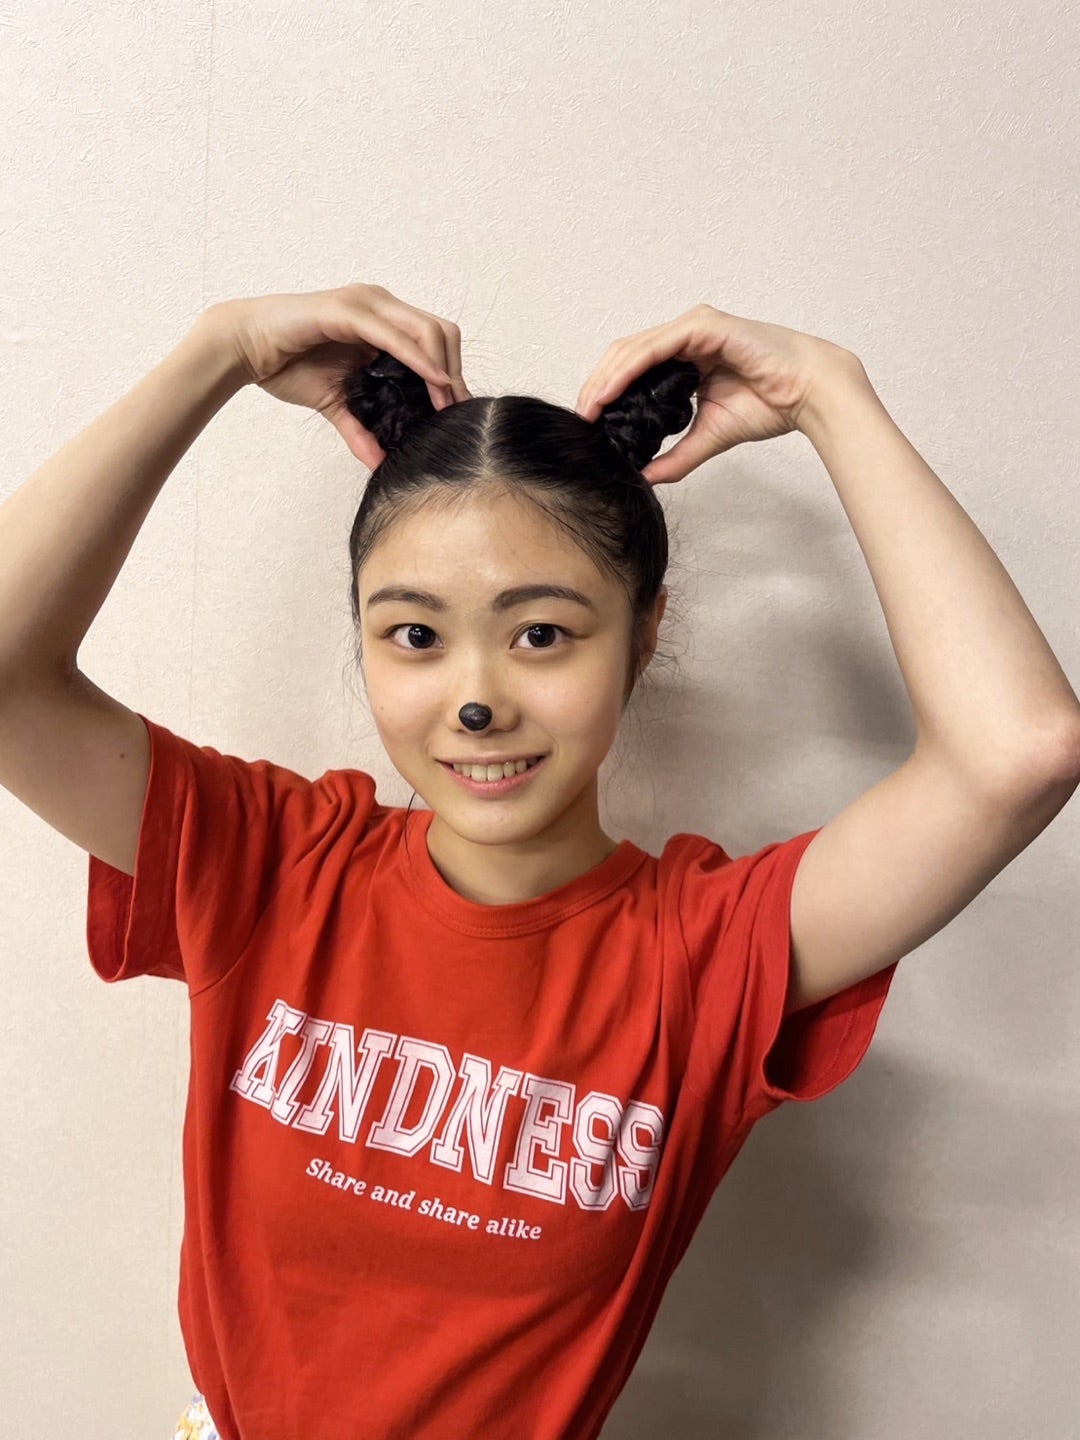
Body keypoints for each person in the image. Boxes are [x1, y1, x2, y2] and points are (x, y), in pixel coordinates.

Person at [1, 283, 1075, 1440]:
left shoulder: (705, 956)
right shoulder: (270, 866)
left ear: (643, 634)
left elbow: (1017, 751)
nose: (476, 700)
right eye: (416, 634)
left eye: (542, 633)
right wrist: (216, 349)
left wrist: (830, 393)